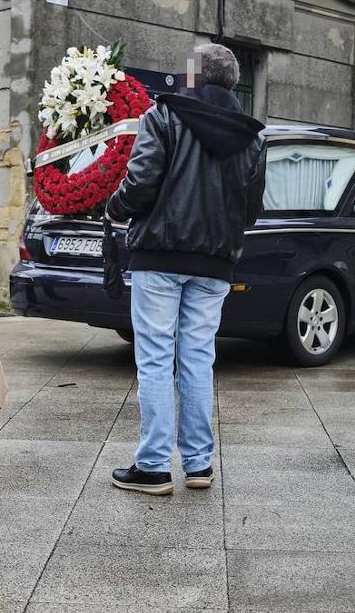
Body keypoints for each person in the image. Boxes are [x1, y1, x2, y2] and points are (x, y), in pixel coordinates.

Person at [106, 43, 266, 495]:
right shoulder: (254, 136)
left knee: (155, 358)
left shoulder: (163, 115)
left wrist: (115, 207)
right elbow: (251, 210)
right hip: (215, 262)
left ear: (193, 77)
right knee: (198, 358)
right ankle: (198, 465)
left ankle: (153, 466)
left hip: (160, 253)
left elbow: (140, 183)